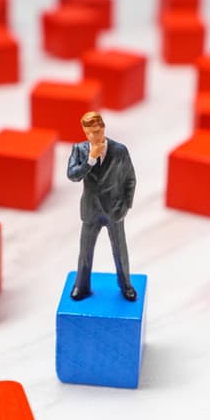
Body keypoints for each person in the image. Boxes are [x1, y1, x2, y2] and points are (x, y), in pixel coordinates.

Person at [67, 111, 137, 301]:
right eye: (89, 133)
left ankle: (126, 286)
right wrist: (89, 160)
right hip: (91, 210)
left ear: (103, 128)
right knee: (85, 250)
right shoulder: (80, 150)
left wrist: (126, 205)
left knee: (120, 250)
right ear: (84, 132)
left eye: (97, 131)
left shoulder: (119, 150)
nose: (94, 136)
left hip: (115, 209)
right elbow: (73, 175)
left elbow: (130, 179)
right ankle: (81, 286)